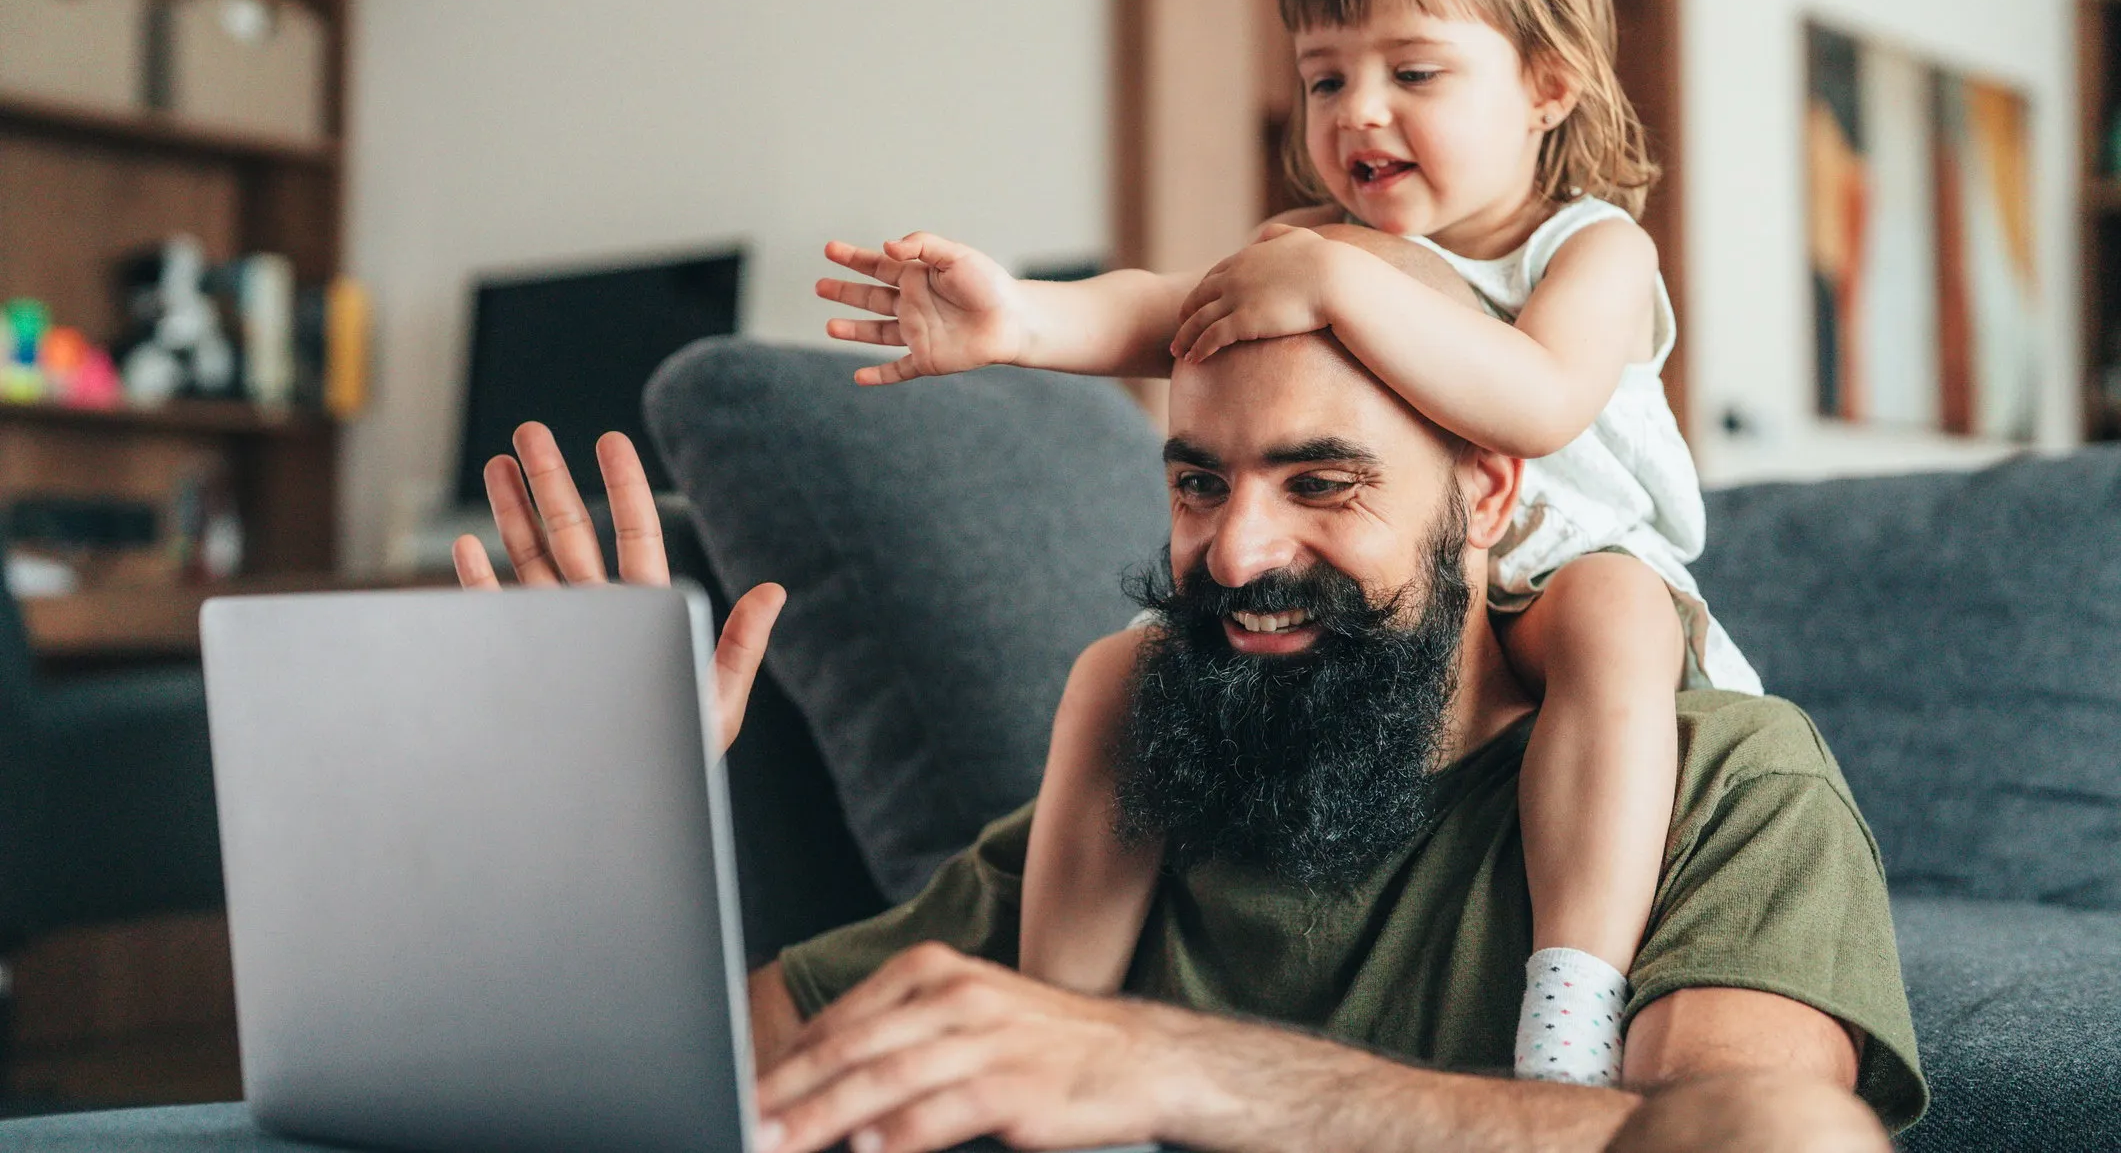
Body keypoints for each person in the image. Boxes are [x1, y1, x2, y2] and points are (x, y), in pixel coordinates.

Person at [453, 232, 1925, 1153]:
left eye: (1320, 484)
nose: (1236, 549)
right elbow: (676, 1085)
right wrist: (618, 819)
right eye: (1198, 481)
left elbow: (1759, 1134)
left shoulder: (1727, 787)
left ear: (1487, 491)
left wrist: (1173, 1069)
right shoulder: (1141, 782)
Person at [814, 0, 1749, 1086]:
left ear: (1546, 85)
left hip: (1565, 575)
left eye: (1413, 71)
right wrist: (1020, 323)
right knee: (1116, 674)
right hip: (1393, 602)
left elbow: (1538, 399)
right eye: (1324, 75)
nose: (1360, 110)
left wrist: (1336, 282)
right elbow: (1171, 310)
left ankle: (1571, 1000)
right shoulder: (1313, 243)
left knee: (1617, 618)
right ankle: (1047, 1028)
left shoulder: (1594, 250)